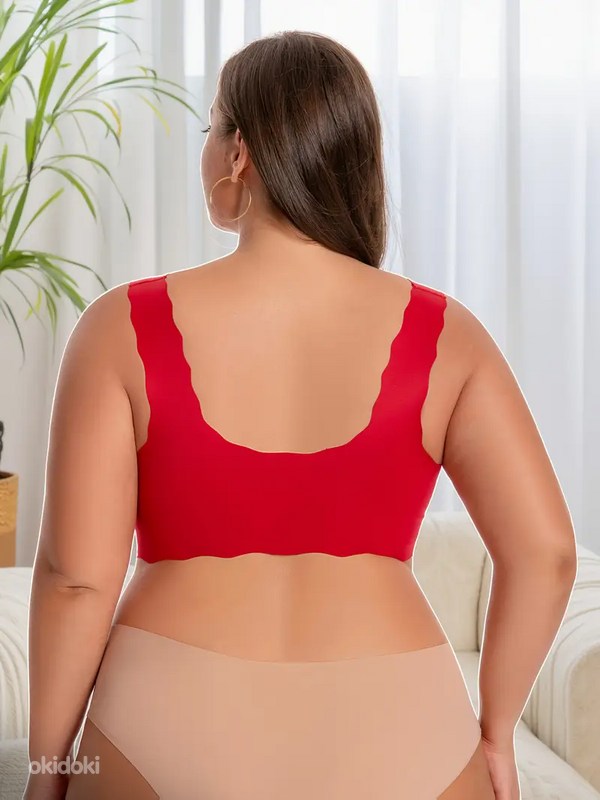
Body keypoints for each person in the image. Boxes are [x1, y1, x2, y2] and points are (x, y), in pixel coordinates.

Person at [24, 30, 577, 800]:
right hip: (403, 730)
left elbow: (76, 582)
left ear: (239, 152)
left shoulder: (121, 327)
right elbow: (547, 554)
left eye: (210, 127)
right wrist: (495, 731)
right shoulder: (448, 335)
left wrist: (49, 770)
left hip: (170, 720)